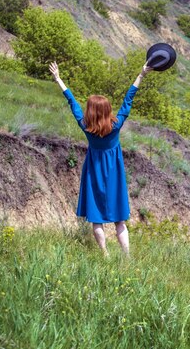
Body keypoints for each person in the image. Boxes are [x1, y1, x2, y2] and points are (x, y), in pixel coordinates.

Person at [49, 61, 152, 256]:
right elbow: (128, 100)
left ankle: (105, 255)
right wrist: (141, 75)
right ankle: (127, 257)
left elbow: (72, 103)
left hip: (94, 172)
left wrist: (58, 79)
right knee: (120, 220)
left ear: (90, 112)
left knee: (97, 219)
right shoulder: (116, 126)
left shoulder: (85, 126)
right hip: (114, 174)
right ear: (106, 111)